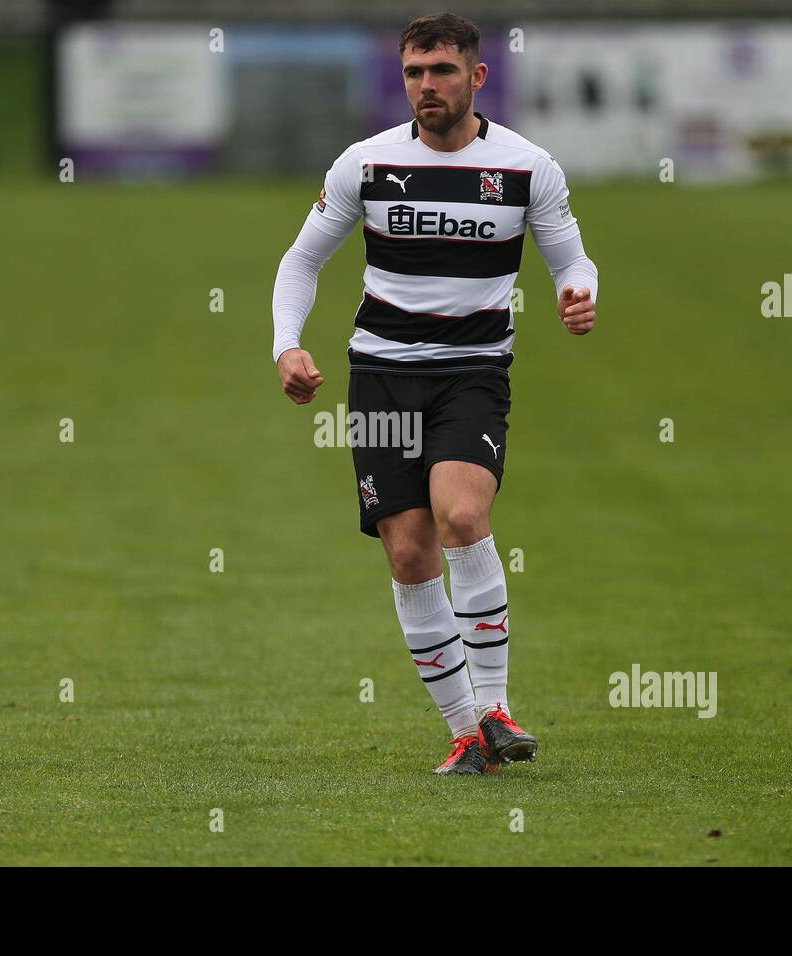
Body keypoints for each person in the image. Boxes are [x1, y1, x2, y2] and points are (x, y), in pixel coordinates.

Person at [271, 13, 599, 775]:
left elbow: (572, 258)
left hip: (473, 374)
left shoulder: (526, 166)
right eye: (415, 72)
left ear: (476, 78)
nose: (426, 86)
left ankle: (495, 707)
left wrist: (578, 292)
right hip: (381, 379)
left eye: (442, 71)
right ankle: (466, 733)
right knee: (411, 551)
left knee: (463, 515)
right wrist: (287, 344)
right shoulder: (366, 164)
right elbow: (300, 261)